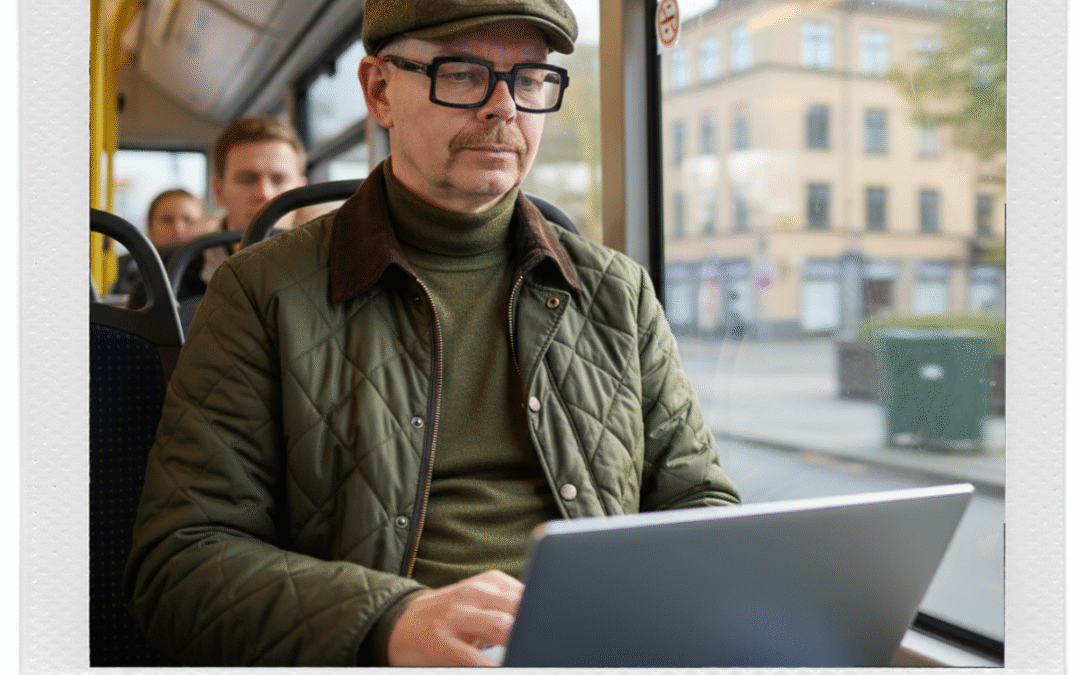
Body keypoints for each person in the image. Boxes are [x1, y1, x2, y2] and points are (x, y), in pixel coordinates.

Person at [124, 0, 740, 668]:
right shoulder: (259, 292)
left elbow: (699, 501)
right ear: (380, 90)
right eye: (466, 74)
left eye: (530, 79)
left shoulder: (617, 292)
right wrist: (386, 621)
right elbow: (179, 565)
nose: (504, 107)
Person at [110, 189, 204, 297]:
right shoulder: (123, 267)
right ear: (150, 228)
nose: (178, 229)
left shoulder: (211, 271)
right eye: (167, 220)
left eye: (188, 220)